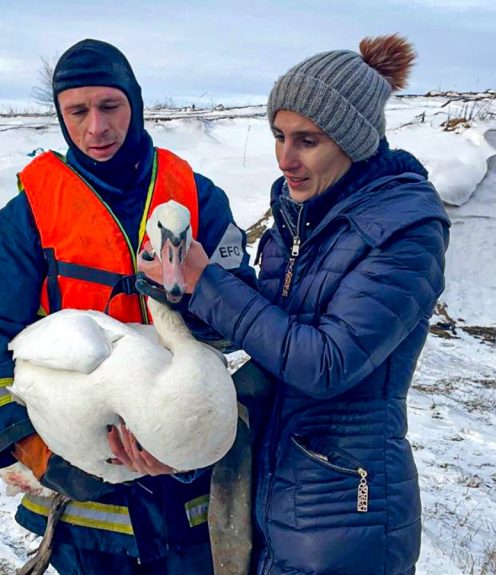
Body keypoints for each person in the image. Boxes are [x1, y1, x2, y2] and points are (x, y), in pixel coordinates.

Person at [138, 35, 450, 574]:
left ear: (353, 141)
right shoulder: (298, 215)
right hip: (273, 485)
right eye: (279, 136)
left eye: (307, 140)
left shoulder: (407, 232)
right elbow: (272, 329)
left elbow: (325, 362)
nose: (286, 159)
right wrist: (181, 291)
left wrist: (207, 281)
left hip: (347, 505)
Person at [0, 39, 255, 574]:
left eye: (109, 107)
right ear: (61, 116)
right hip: (88, 513)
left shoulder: (198, 200)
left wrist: (190, 429)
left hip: (191, 497)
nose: (96, 128)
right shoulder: (30, 215)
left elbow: (245, 323)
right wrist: (43, 455)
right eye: (77, 111)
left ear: (134, 103)